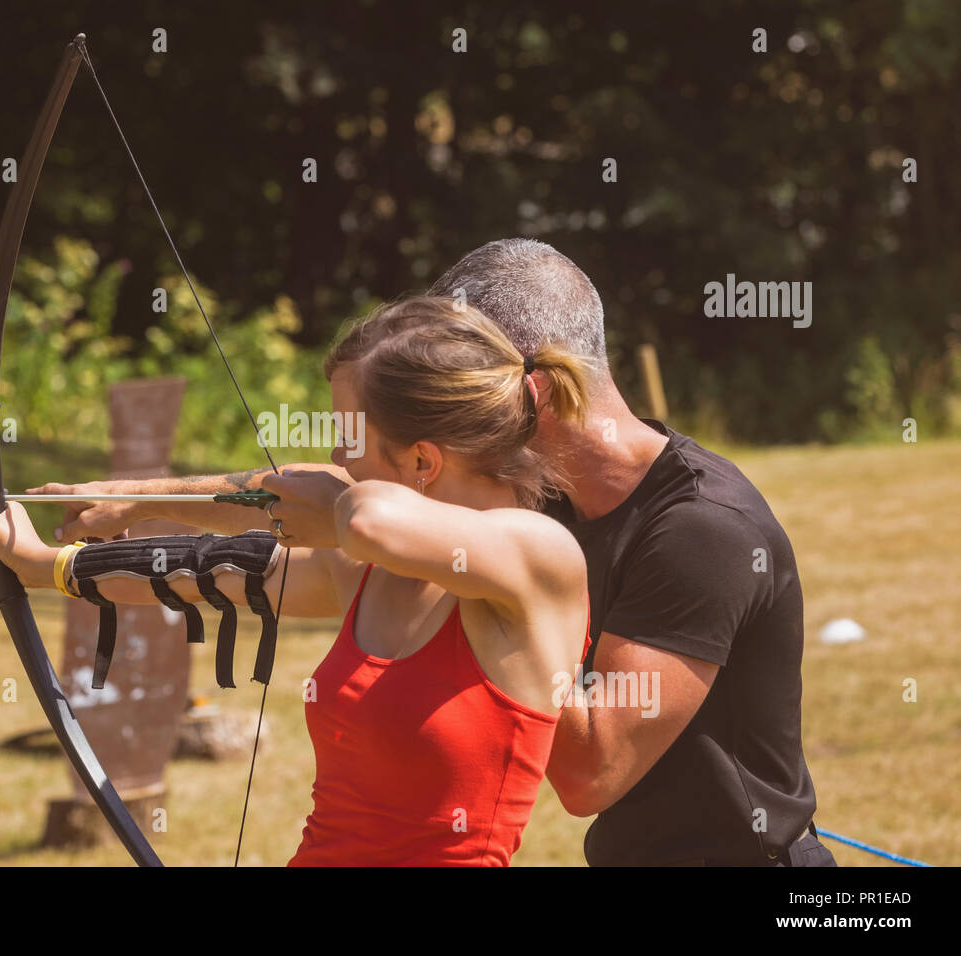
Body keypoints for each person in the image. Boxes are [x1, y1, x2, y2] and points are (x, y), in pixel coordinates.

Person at [44, 238, 832, 867]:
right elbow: (331, 498)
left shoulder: (700, 531)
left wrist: (520, 616)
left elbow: (592, 769)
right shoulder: (518, 492)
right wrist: (134, 501)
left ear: (530, 395)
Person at [0, 295, 594, 865]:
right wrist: (46, 562)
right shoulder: (370, 568)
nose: (338, 461)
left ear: (423, 461)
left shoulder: (538, 558)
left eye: (349, 439)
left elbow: (368, 515)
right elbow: (210, 572)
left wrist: (333, 508)